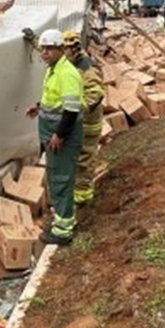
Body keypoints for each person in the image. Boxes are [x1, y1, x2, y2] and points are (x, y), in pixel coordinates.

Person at [26, 29, 84, 245]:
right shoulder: (53, 70)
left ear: (61, 49)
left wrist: (59, 134)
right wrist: (39, 107)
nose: (45, 53)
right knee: (58, 177)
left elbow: (71, 110)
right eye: (43, 49)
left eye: (49, 48)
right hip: (54, 133)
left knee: (61, 179)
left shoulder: (67, 73)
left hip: (62, 137)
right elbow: (54, 100)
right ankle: (65, 218)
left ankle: (63, 230)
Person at [62, 30, 105, 205]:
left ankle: (82, 197)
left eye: (64, 48)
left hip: (89, 122)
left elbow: (96, 93)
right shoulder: (71, 62)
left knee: (84, 159)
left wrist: (78, 110)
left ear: (74, 48)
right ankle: (78, 189)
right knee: (76, 157)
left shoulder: (86, 66)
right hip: (79, 121)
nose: (61, 52)